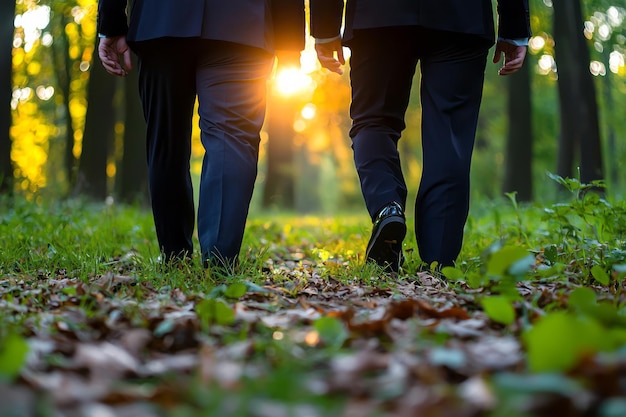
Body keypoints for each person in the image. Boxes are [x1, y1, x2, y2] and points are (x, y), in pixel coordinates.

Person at [310, 0, 531, 272]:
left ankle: (386, 206)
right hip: (462, 16)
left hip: (377, 14)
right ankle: (439, 257)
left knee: (374, 121)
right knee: (449, 132)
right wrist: (514, 26)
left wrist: (324, 25)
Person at [97, 0, 305, 269]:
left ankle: (174, 256)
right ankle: (220, 256)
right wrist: (289, 41)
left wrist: (111, 24)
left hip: (162, 20)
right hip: (241, 21)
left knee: (166, 139)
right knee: (231, 137)